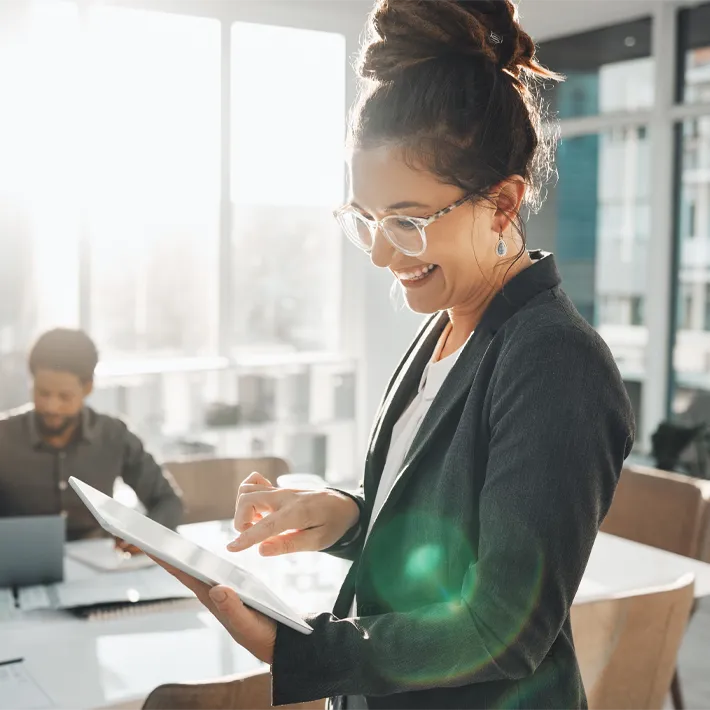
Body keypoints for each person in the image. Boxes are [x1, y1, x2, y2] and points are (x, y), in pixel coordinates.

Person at [153, 1, 635, 708]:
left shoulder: (555, 362)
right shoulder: (447, 325)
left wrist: (307, 652)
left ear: (503, 204)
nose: (381, 253)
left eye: (407, 221)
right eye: (367, 220)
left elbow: (505, 625)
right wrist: (349, 513)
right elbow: (444, 523)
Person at [0, 328, 183, 546]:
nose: (52, 406)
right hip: (19, 564)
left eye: (64, 396)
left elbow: (168, 501)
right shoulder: (4, 435)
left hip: (99, 563)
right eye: (43, 393)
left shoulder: (114, 434)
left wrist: (146, 538)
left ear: (88, 387)